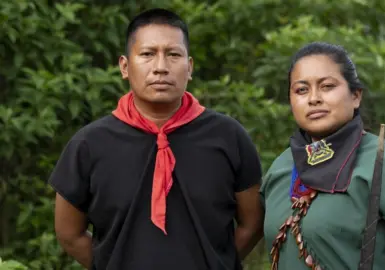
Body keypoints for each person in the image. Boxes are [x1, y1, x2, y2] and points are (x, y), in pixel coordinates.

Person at [49, 8, 264, 270]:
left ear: (190, 67)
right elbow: (69, 234)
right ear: (125, 67)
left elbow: (252, 224)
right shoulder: (89, 145)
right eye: (148, 54)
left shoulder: (228, 137)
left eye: (173, 55)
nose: (161, 67)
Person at [260, 42, 385, 270]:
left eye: (327, 86)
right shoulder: (281, 166)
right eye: (301, 90)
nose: (314, 98)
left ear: (355, 96)